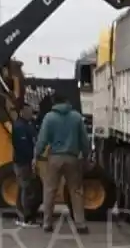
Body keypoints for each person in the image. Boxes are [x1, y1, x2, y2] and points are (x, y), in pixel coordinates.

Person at [33, 92, 91, 234]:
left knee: (50, 190)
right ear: (67, 101)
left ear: (54, 103)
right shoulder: (76, 117)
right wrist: (86, 155)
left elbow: (42, 139)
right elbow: (84, 139)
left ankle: (47, 223)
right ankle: (80, 224)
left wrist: (36, 155)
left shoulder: (49, 117)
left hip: (54, 158)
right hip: (72, 158)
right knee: (76, 191)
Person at [12, 104, 40, 227]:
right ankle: (26, 217)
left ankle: (21, 215)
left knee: (23, 188)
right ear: (22, 112)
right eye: (28, 111)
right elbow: (23, 146)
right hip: (23, 162)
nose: (30, 114)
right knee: (26, 188)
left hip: (24, 161)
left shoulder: (27, 124)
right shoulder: (19, 127)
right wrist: (32, 158)